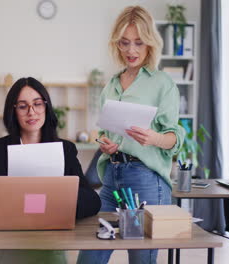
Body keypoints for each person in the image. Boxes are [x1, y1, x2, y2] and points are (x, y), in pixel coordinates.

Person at [77, 6, 185, 264]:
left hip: (146, 180)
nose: (131, 50)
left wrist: (154, 138)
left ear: (150, 44)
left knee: (141, 258)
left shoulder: (162, 83)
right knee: (90, 256)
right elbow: (106, 131)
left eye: (138, 42)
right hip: (112, 179)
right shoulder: (112, 84)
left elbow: (175, 137)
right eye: (124, 43)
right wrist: (105, 143)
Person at [0, 77, 101, 263]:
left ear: (46, 107)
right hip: (5, 244)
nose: (32, 112)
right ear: (13, 111)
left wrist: (67, 197)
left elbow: (93, 201)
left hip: (50, 243)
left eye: (37, 104)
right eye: (23, 106)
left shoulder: (64, 150)